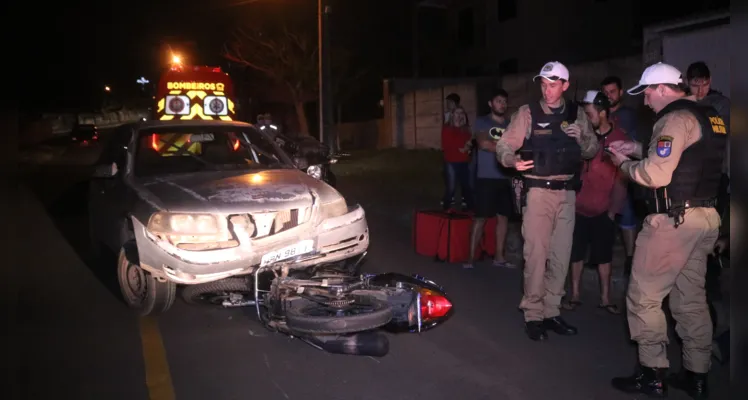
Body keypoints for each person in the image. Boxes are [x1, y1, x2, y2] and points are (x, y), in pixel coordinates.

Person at [607, 62, 726, 399]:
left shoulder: (674, 119)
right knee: (690, 301)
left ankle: (651, 374)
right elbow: (688, 158)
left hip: (673, 223)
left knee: (644, 297)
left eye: (647, 92)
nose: (645, 101)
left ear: (661, 88)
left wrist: (625, 165)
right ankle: (696, 375)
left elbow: (657, 175)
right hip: (703, 219)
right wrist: (636, 149)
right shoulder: (708, 117)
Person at [495, 61, 599, 341]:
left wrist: (583, 140)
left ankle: (552, 311)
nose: (547, 90)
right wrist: (511, 160)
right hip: (538, 192)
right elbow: (504, 144)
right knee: (536, 256)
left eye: (553, 85)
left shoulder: (577, 115)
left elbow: (592, 149)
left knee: (561, 256)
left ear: (565, 85)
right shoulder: (528, 113)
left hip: (566, 194)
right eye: (543, 84)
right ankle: (533, 314)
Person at [563, 91, 628, 314]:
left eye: (589, 112)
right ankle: (575, 295)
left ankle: (606, 298)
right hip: (578, 206)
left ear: (602, 112)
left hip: (603, 209)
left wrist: (612, 211)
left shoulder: (619, 138)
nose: (586, 117)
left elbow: (622, 178)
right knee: (576, 253)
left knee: (604, 255)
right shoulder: (583, 135)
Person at [464, 88, 516, 269]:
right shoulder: (482, 122)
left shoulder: (511, 124)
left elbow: (518, 146)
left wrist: (506, 150)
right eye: (498, 101)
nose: (502, 104)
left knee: (503, 218)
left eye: (504, 101)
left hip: (505, 177)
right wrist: (506, 150)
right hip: (486, 177)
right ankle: (469, 258)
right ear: (490, 104)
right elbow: (483, 143)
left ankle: (499, 257)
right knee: (480, 218)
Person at [601, 76, 639, 273]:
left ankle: (630, 259)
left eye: (612, 92)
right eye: (605, 93)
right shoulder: (601, 113)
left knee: (627, 215)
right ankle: (601, 256)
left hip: (623, 172)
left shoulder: (629, 115)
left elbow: (634, 143)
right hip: (603, 173)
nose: (609, 96)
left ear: (621, 92)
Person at [440, 106, 473, 210]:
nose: (459, 115)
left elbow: (468, 144)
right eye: (457, 113)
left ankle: (471, 209)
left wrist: (467, 147)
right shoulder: (447, 128)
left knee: (467, 186)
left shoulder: (466, 129)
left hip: (464, 161)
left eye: (461, 113)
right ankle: (445, 207)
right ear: (452, 115)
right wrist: (464, 147)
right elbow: (448, 145)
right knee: (451, 187)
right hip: (451, 161)